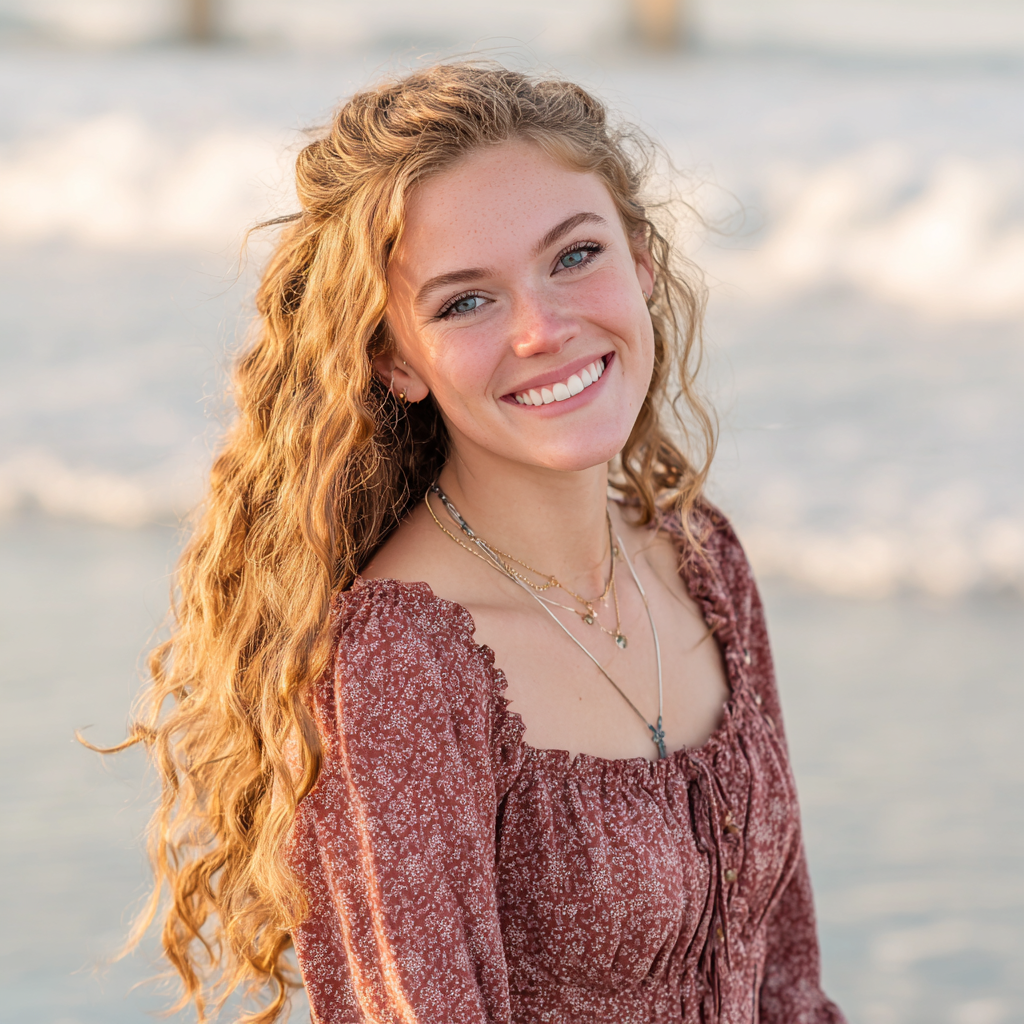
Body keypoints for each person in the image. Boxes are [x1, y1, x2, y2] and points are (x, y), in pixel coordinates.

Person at [105, 62, 846, 1024]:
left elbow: (788, 983)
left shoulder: (703, 561)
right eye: (465, 301)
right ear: (394, 360)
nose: (543, 329)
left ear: (642, 259)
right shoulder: (402, 662)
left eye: (575, 256)